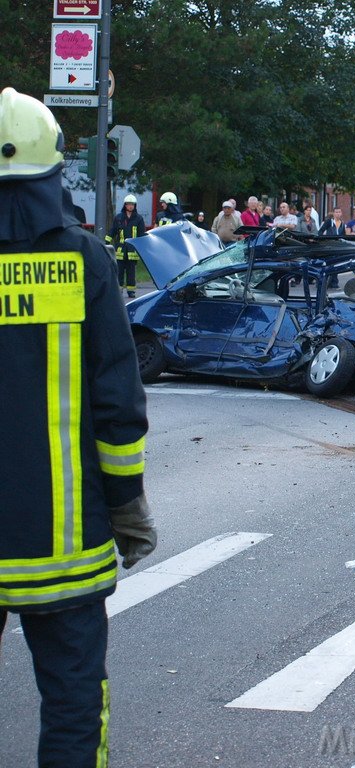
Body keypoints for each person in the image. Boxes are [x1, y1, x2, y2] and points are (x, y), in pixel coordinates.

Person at [0, 87, 156, 768]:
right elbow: (117, 405)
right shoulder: (86, 263)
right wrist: (129, 508)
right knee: (70, 701)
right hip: (60, 543)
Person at [107, 193, 146, 298]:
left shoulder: (138, 219)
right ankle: (118, 290)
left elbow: (142, 234)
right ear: (125, 205)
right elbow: (113, 231)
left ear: (135, 206)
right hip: (120, 250)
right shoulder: (119, 218)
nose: (130, 206)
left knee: (131, 272)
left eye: (132, 204)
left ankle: (131, 291)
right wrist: (106, 241)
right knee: (119, 271)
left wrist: (144, 248)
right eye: (128, 204)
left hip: (132, 250)